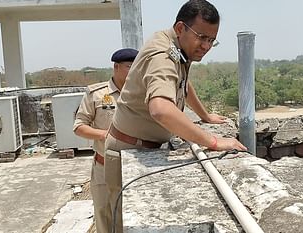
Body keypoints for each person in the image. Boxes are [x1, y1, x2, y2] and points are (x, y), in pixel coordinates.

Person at [105, 0, 247, 232]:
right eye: (202, 37)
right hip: (126, 150)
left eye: (212, 40)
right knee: (118, 225)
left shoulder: (178, 47)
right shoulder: (163, 54)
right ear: (181, 28)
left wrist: (205, 116)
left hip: (143, 147)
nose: (206, 46)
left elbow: (182, 85)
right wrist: (213, 141)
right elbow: (160, 108)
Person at [72, 48, 138, 233]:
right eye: (129, 67)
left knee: (127, 216)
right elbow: (79, 126)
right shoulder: (97, 94)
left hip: (133, 166)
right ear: (116, 67)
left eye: (137, 67)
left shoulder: (141, 94)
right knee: (103, 213)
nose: (134, 71)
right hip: (104, 165)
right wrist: (104, 135)